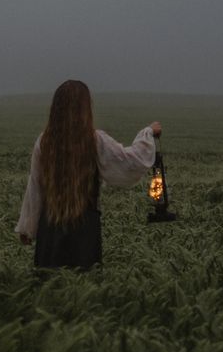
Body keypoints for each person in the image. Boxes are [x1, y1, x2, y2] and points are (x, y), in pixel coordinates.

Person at [15, 79, 162, 270]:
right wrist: (148, 132)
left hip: (50, 231)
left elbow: (35, 187)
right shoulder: (94, 140)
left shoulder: (44, 141)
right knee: (84, 285)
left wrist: (27, 227)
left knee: (50, 288)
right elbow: (130, 162)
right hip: (84, 230)